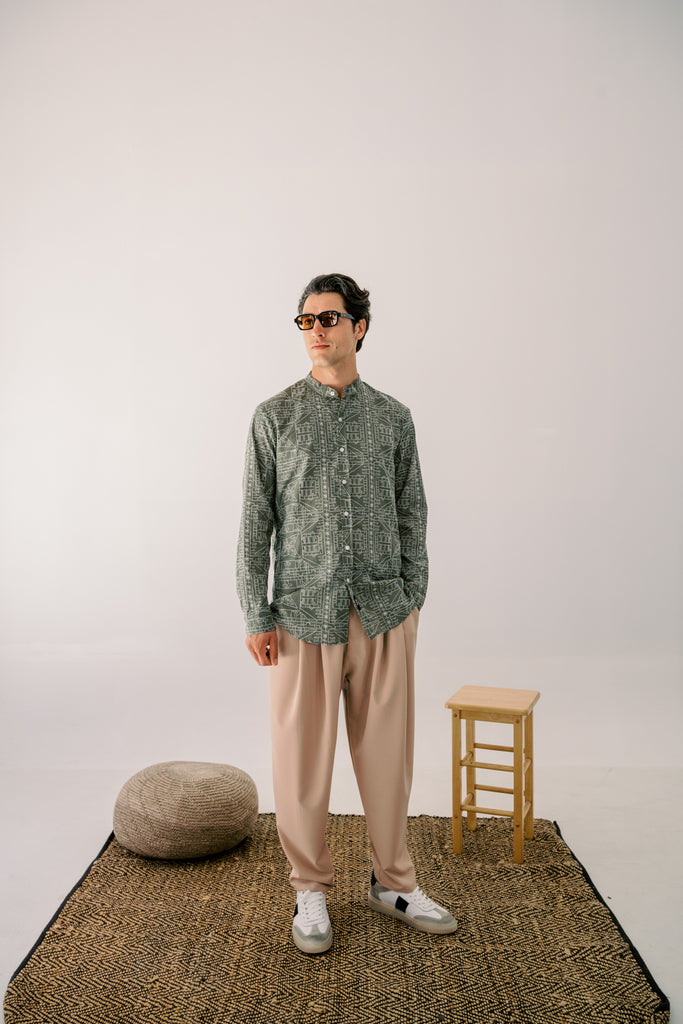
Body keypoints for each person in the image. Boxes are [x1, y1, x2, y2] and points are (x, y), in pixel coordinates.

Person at [236, 272, 457, 954]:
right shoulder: (273, 417)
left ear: (359, 327)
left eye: (328, 319)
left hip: (384, 610)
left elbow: (412, 511)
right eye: (305, 321)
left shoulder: (392, 417)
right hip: (302, 614)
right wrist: (255, 611)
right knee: (300, 763)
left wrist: (412, 596)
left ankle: (394, 882)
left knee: (388, 761)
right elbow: (255, 523)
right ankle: (309, 889)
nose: (316, 331)